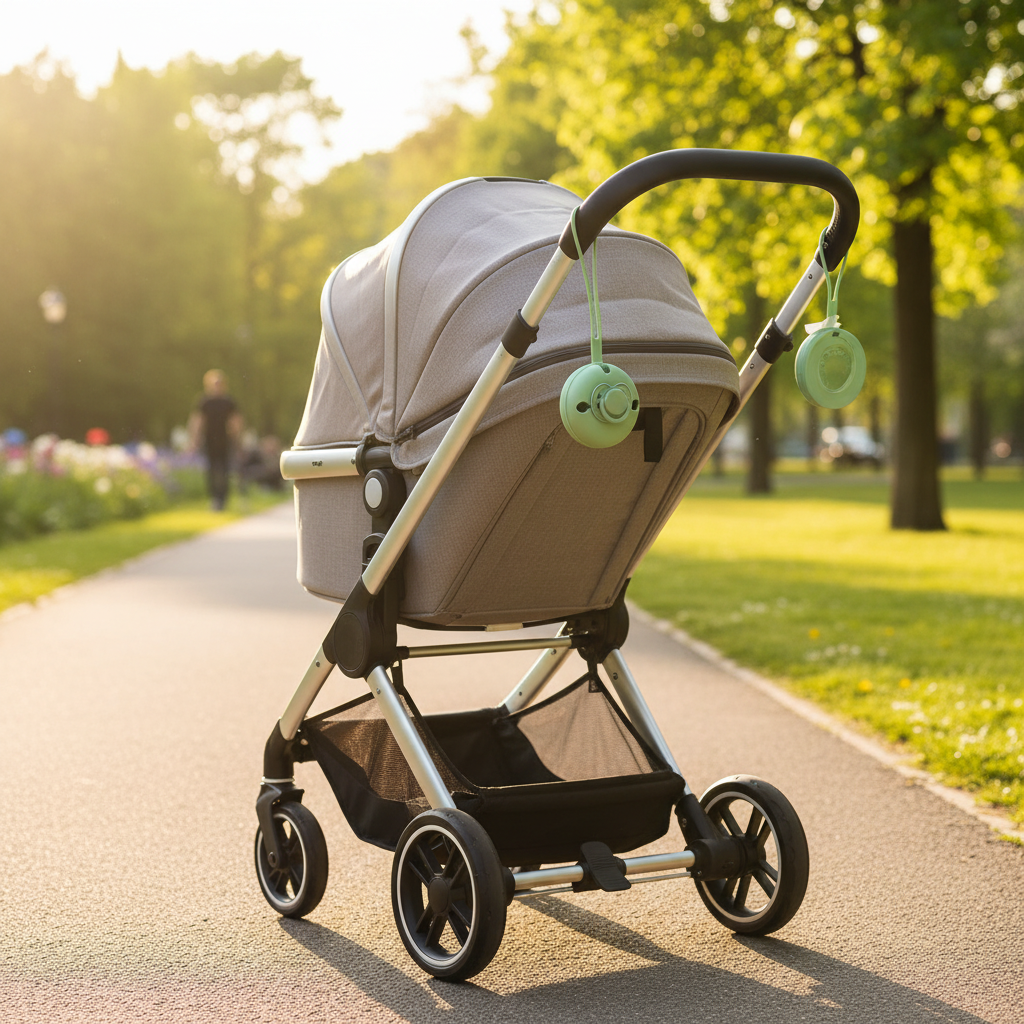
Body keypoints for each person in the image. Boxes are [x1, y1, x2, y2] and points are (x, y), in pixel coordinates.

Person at [188, 369, 243, 510]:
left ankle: (223, 499)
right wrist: (195, 440)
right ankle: (214, 499)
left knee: (225, 469)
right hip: (210, 441)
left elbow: (236, 421)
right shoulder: (204, 401)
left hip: (225, 440)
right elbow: (198, 421)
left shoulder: (229, 401)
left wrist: (237, 439)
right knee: (211, 470)